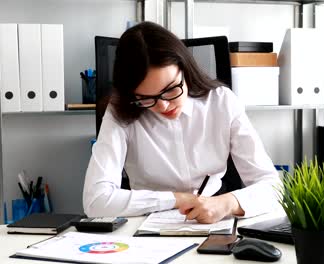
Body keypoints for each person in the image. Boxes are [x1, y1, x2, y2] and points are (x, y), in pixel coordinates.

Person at [82, 21, 280, 224]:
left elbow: (274, 188)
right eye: (146, 98)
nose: (164, 106)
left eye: (170, 90)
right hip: (144, 225)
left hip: (214, 221)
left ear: (185, 69)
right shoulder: (120, 112)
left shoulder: (221, 102)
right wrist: (177, 199)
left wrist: (228, 203)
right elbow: (96, 200)